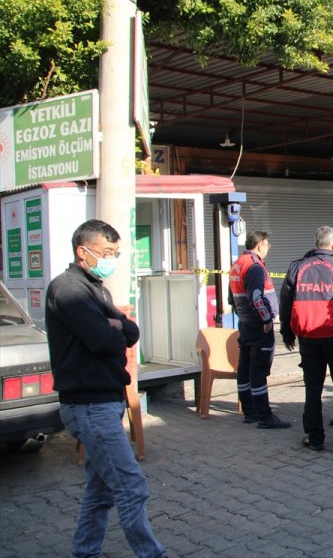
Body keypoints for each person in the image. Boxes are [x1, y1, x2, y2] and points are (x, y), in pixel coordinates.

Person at [45, 219, 166, 558]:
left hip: (104, 402)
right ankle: (151, 553)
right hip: (89, 406)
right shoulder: (69, 289)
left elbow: (131, 331)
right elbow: (102, 340)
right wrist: (113, 328)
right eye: (107, 252)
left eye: (116, 252)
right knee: (131, 486)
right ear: (83, 252)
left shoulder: (96, 288)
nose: (112, 258)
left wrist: (115, 326)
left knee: (100, 491)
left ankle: (85, 552)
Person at [280, 225, 333, 451]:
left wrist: (287, 333)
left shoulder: (297, 267)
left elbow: (286, 303)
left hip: (309, 338)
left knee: (312, 388)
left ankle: (314, 437)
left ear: (315, 243)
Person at [228, 231, 290, 429]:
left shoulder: (238, 264)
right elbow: (256, 297)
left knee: (245, 369)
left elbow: (232, 299)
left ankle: (249, 411)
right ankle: (264, 415)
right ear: (261, 245)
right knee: (258, 370)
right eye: (268, 244)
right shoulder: (255, 267)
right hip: (258, 326)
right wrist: (265, 319)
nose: (268, 248)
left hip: (245, 325)